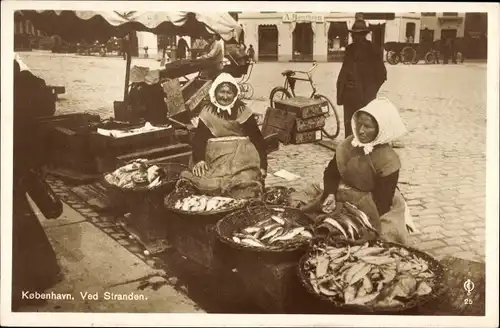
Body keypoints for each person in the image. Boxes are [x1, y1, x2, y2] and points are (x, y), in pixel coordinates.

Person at [297, 98, 414, 245]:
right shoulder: (348, 144)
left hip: (374, 200)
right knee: (314, 209)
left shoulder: (388, 160)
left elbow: (382, 203)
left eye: (368, 126)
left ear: (381, 129)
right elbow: (331, 172)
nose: (361, 131)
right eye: (359, 124)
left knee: (382, 234)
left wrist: (352, 213)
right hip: (346, 190)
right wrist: (331, 193)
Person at [12, 60, 63, 310]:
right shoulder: (33, 85)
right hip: (23, 160)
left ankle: (24, 286)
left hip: (16, 159)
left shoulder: (22, 88)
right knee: (21, 220)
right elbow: (44, 120)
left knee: (16, 222)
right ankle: (43, 272)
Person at [176, 73, 268, 199]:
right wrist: (199, 160)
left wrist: (263, 166)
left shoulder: (243, 112)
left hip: (241, 159)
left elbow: (258, 140)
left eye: (229, 92)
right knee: (205, 181)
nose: (225, 97)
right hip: (216, 159)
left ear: (235, 94)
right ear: (215, 92)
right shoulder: (207, 112)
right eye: (221, 92)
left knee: (244, 182)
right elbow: (199, 139)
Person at [336, 17, 387, 138]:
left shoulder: (373, 50)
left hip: (364, 97)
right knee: (349, 126)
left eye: (358, 35)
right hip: (349, 95)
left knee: (363, 127)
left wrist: (370, 93)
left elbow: (382, 75)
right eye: (353, 34)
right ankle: (348, 153)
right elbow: (344, 70)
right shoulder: (350, 49)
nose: (355, 37)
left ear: (364, 35)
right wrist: (342, 90)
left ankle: (363, 153)